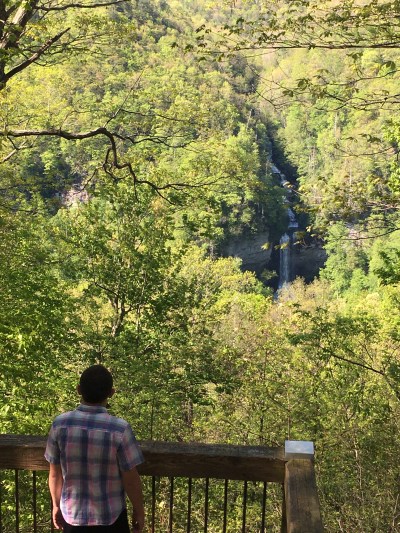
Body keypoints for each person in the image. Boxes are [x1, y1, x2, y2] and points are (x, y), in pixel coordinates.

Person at [45, 364, 145, 532]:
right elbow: (131, 478)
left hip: (72, 518)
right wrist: (139, 510)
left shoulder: (60, 425)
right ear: (111, 393)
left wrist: (56, 505)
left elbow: (54, 474)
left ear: (78, 390)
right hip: (111, 518)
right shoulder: (120, 429)